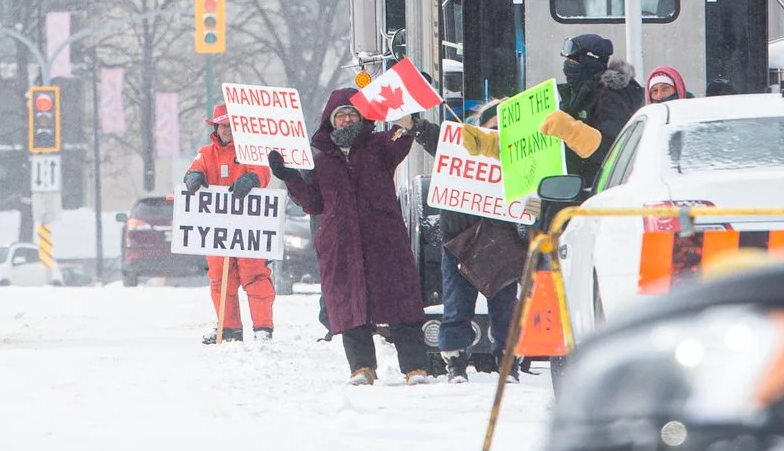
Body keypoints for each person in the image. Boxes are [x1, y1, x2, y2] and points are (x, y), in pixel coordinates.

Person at [271, 87, 434, 384]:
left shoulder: (379, 145)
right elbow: (313, 202)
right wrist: (289, 177)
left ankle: (415, 367)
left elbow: (402, 137)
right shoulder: (318, 158)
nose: (347, 119)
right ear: (330, 120)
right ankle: (361, 368)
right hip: (342, 243)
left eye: (352, 114)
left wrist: (410, 111)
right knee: (350, 307)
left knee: (401, 302)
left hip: (384, 239)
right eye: (341, 115)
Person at [424, 101, 527, 381]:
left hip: (501, 245)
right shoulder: (464, 146)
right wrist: (416, 127)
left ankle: (508, 363)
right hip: (459, 243)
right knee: (457, 306)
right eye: (492, 127)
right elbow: (439, 141)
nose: (497, 134)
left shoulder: (521, 157)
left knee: (505, 308)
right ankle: (456, 364)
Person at [182, 103, 274, 342]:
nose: (228, 130)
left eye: (232, 126)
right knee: (220, 279)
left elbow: (262, 173)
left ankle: (262, 328)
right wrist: (193, 177)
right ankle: (229, 328)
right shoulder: (205, 153)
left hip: (248, 227)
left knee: (255, 276)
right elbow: (194, 169)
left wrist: (252, 179)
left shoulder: (251, 151)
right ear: (216, 127)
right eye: (224, 125)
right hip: (219, 230)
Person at [544, 33, 646, 190]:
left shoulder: (611, 96)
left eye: (572, 61)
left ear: (588, 62)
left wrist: (574, 134)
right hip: (568, 187)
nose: (567, 65)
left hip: (596, 191)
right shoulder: (574, 94)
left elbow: (615, 150)